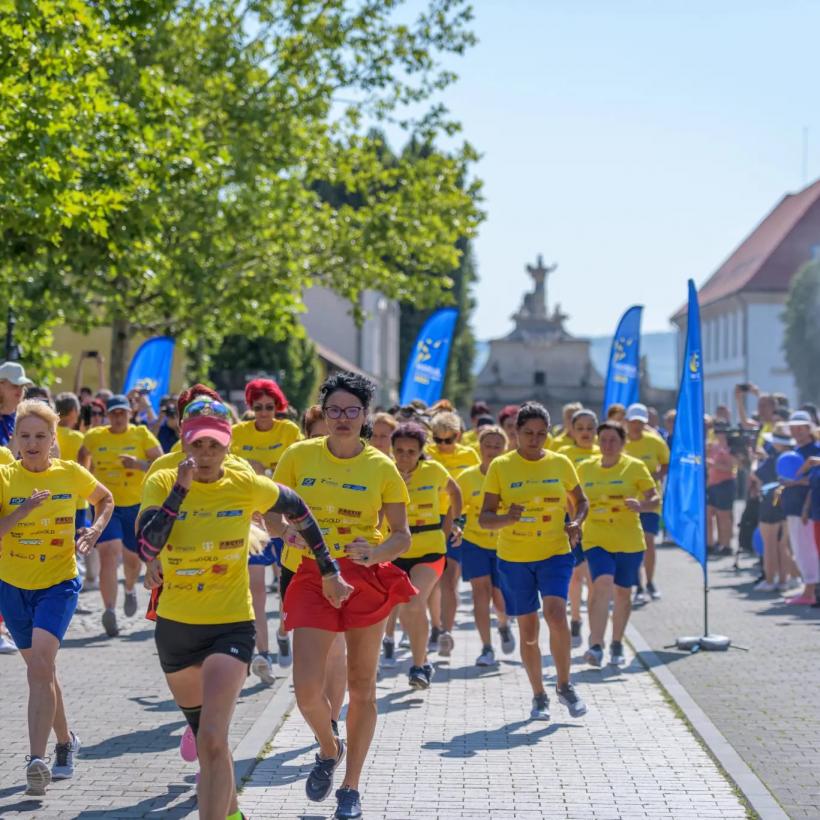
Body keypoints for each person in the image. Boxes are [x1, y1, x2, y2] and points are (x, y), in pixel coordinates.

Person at [137, 396, 349, 820]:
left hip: (231, 626)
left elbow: (299, 510)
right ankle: (233, 813)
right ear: (185, 442)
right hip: (176, 627)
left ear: (228, 445)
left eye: (215, 445)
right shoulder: (163, 480)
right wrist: (180, 491)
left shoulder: (246, 481)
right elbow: (146, 546)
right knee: (207, 743)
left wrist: (329, 570)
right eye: (198, 445)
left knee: (214, 736)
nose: (206, 455)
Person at [272, 371, 414, 820]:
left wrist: (375, 553)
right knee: (306, 690)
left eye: (352, 411)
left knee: (362, 688)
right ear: (323, 413)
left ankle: (350, 788)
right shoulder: (298, 456)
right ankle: (328, 747)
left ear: (366, 416)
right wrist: (286, 536)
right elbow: (272, 517)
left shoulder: (382, 467)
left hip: (364, 580)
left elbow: (402, 537)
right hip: (312, 575)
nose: (343, 418)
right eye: (334, 410)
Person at [0, 399, 114, 796]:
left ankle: (36, 760)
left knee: (41, 668)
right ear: (15, 439)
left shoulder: (70, 474)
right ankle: (66, 742)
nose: (32, 443)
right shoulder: (4, 477)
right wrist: (23, 510)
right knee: (42, 673)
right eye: (25, 435)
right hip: (12, 587)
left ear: (53, 440)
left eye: (41, 436)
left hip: (58, 584)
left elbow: (106, 498)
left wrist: (95, 529)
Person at [480, 402, 589, 721]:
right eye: (528, 433)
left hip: (555, 552)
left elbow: (581, 501)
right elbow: (485, 519)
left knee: (556, 614)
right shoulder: (501, 466)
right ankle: (539, 695)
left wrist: (576, 522)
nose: (535, 439)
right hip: (514, 559)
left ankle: (565, 685)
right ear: (515, 432)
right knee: (529, 631)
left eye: (541, 433)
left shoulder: (561, 463)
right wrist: (505, 517)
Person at [79, 394, 162, 636]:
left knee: (133, 560)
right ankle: (109, 611)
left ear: (129, 414)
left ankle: (128, 589)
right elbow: (82, 457)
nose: (117, 417)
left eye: (122, 413)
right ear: (108, 415)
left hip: (136, 506)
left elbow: (160, 462)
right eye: (113, 413)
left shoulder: (141, 434)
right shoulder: (95, 436)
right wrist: (87, 478)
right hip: (107, 506)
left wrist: (138, 465)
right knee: (108, 554)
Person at [386, 422, 461, 688]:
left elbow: (455, 492)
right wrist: (396, 488)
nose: (405, 457)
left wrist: (455, 523)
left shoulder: (434, 470)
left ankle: (418, 667)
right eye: (400, 451)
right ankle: (423, 659)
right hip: (393, 549)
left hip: (430, 548)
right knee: (405, 610)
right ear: (392, 450)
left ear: (421, 451)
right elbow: (373, 513)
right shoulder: (385, 472)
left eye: (411, 451)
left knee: (414, 603)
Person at [578, 421, 658, 667]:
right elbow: (573, 500)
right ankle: (596, 645)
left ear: (623, 443)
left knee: (623, 593)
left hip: (628, 540)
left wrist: (641, 506)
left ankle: (616, 643)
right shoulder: (584, 468)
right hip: (595, 537)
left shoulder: (634, 467)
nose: (608, 445)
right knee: (601, 584)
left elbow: (654, 498)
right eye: (603, 440)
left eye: (613, 440)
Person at [456, 425, 516, 666]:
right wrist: (457, 526)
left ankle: (503, 624)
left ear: (505, 448)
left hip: (505, 544)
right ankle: (487, 647)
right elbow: (457, 509)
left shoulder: (511, 476)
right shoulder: (467, 477)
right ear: (479, 447)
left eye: (497, 447)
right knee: (480, 593)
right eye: (488, 446)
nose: (492, 450)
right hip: (475, 542)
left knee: (499, 596)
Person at [426, 410, 479, 657]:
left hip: (458, 519)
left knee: (449, 580)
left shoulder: (469, 454)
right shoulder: (426, 453)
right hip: (429, 520)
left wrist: (461, 519)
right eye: (439, 439)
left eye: (450, 440)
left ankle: (446, 631)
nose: (444, 445)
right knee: (431, 580)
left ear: (459, 435)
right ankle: (435, 625)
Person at [558, 409, 601, 648]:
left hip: (599, 525)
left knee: (595, 578)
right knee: (575, 576)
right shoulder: (564, 455)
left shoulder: (602, 453)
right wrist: (572, 518)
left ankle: (595, 625)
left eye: (590, 428)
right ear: (572, 431)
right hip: (571, 521)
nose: (585, 433)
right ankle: (575, 618)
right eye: (580, 428)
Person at [623, 403, 669, 605]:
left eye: (640, 422)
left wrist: (656, 475)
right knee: (633, 545)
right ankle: (638, 585)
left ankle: (650, 582)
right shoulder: (621, 442)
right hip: (627, 502)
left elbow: (666, 462)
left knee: (648, 541)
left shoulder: (654, 441)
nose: (636, 426)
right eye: (633, 422)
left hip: (650, 500)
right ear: (627, 422)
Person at [55, 393, 100, 591]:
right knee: (73, 549)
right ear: (74, 412)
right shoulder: (80, 438)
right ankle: (69, 589)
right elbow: (88, 471)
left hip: (53, 500)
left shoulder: (50, 433)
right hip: (77, 502)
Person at [750, 424, 800, 592]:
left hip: (771, 499)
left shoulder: (773, 459)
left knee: (769, 543)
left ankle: (770, 580)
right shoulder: (794, 456)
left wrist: (755, 460)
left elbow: (755, 475)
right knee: (783, 544)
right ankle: (784, 580)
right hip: (787, 500)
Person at [780, 411, 820, 605]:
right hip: (793, 506)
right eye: (793, 428)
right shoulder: (795, 449)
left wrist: (794, 483)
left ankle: (809, 592)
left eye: (800, 428)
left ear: (809, 428)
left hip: (806, 510)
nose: (796, 431)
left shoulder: (815, 449)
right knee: (799, 549)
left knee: (807, 551)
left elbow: (813, 479)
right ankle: (808, 590)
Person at [231, 379, 302, 476]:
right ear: (251, 407)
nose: (264, 413)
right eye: (258, 408)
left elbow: (299, 467)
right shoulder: (236, 431)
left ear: (276, 406)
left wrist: (265, 473)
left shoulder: (289, 430)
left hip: (280, 489)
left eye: (269, 407)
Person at [706, 421, 738, 556]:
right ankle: (710, 543)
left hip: (725, 483)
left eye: (722, 431)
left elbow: (732, 467)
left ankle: (726, 545)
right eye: (717, 431)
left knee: (723, 516)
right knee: (708, 514)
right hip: (712, 484)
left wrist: (714, 465)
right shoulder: (712, 446)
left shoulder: (732, 447)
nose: (719, 433)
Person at [0, 361, 33, 447]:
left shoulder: (25, 417)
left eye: (22, 386)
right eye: (15, 385)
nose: (20, 390)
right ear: (1, 384)